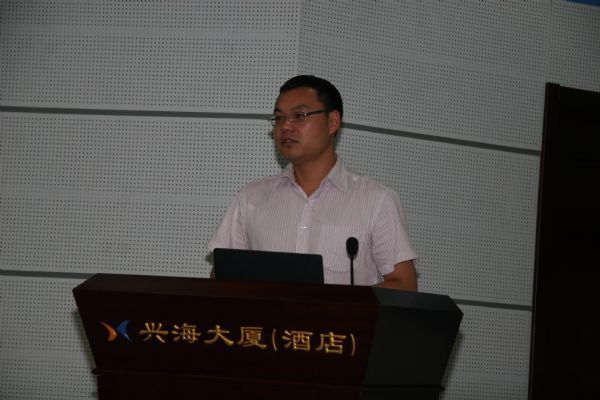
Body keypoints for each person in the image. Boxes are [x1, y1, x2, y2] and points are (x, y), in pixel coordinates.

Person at [208, 75, 417, 290]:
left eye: (299, 116)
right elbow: (221, 278)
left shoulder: (376, 200)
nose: (285, 126)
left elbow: (404, 284)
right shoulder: (251, 199)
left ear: (332, 122)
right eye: (278, 118)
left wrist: (340, 304)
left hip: (341, 314)